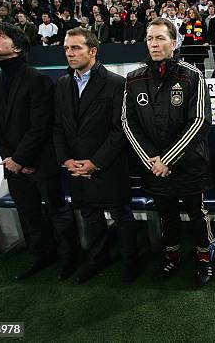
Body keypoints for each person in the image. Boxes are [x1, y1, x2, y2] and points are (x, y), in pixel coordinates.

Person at [121, 18, 214, 287]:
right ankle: (171, 256)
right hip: (153, 166)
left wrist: (168, 160)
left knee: (197, 214)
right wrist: (153, 160)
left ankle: (204, 258)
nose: (154, 43)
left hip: (189, 164)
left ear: (174, 43)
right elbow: (129, 122)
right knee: (167, 215)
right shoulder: (134, 78)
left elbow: (199, 122)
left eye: (160, 38)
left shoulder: (191, 75)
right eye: (150, 38)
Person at [0, 23, 77, 280]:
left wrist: (20, 159)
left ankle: (70, 257)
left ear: (16, 48)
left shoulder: (38, 80)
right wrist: (9, 159)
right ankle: (42, 255)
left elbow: (41, 126)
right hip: (14, 165)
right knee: (29, 214)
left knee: (58, 211)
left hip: (41, 163)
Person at [53, 28, 138, 283]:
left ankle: (130, 262)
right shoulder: (61, 84)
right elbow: (58, 126)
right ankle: (98, 258)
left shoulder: (115, 83)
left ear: (92, 51)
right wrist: (66, 160)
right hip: (76, 166)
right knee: (90, 215)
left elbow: (120, 129)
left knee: (120, 215)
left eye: (76, 47)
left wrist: (95, 163)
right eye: (67, 48)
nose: (69, 53)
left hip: (108, 165)